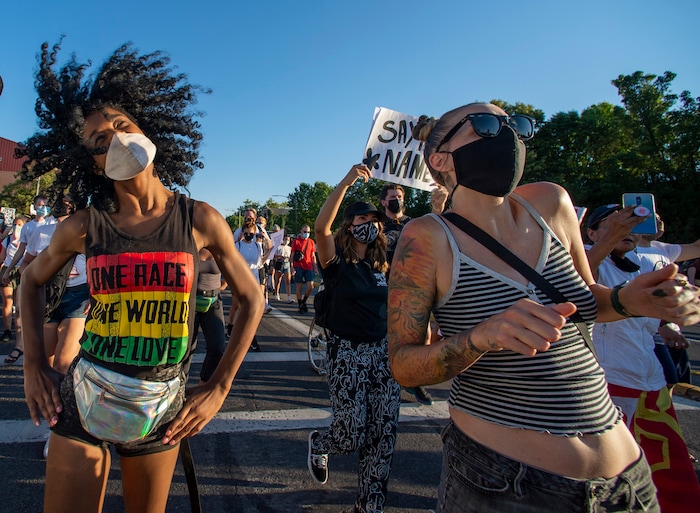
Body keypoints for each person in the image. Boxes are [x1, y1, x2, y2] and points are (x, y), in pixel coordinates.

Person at [387, 102, 700, 513]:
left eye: (515, 125)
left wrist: (630, 299)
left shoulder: (551, 202)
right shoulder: (427, 236)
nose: (508, 135)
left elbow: (585, 300)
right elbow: (404, 364)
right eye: (485, 125)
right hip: (508, 484)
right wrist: (481, 337)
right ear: (441, 158)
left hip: (628, 481)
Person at [17, 40, 264, 513]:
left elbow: (253, 299)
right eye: (99, 140)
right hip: (84, 398)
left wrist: (219, 387)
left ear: (145, 128)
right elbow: (30, 281)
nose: (113, 137)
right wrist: (32, 365)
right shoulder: (84, 226)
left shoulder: (200, 220)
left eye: (121, 125)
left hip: (162, 408)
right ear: (93, 162)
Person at [586, 204, 700, 513]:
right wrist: (608, 240)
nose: (627, 230)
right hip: (609, 384)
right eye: (614, 223)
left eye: (633, 225)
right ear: (591, 232)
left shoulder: (652, 259)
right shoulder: (587, 256)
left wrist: (670, 320)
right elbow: (575, 281)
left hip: (652, 383)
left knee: (669, 472)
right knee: (608, 476)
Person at [308, 164, 401, 513]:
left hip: (383, 355)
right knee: (350, 433)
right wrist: (346, 182)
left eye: (373, 220)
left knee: (382, 436)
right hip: (347, 352)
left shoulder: (383, 264)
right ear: (350, 226)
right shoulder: (335, 263)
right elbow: (320, 227)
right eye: (362, 219)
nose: (370, 225)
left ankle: (368, 507)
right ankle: (322, 441)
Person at [379, 183, 434, 405]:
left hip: (412, 286)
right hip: (385, 284)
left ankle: (415, 379)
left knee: (424, 335)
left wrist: (438, 206)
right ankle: (386, 378)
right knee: (387, 336)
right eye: (393, 196)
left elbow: (432, 239)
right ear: (383, 201)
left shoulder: (414, 224)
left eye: (400, 196)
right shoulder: (377, 225)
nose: (397, 200)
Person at [1, 195, 56, 364]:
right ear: (34, 207)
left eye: (45, 205)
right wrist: (8, 270)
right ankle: (19, 345)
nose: (43, 208)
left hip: (51, 271)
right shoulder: (28, 228)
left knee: (47, 313)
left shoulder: (54, 224)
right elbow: (21, 252)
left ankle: (42, 349)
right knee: (22, 308)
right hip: (28, 270)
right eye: (39, 205)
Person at [191, 248, 227, 383]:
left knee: (217, 347)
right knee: (186, 349)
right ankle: (179, 388)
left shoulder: (219, 244)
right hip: (190, 301)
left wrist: (225, 283)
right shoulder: (189, 240)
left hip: (213, 301)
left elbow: (233, 266)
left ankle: (203, 384)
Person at [235, 221, 270, 351]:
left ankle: (249, 336)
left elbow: (260, 263)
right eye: (246, 233)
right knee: (243, 309)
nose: (249, 235)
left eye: (251, 233)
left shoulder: (257, 246)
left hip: (254, 280)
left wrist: (269, 250)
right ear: (243, 233)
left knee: (254, 311)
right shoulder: (237, 246)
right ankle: (245, 336)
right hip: (242, 280)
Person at [1, 216, 25, 356]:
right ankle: (7, 330)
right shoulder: (7, 240)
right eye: (15, 224)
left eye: (20, 225)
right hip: (8, 270)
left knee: (19, 305)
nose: (17, 227)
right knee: (7, 302)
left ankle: (20, 334)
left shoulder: (27, 239)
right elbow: (2, 257)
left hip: (21, 270)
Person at [291, 225, 317, 313]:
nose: (307, 234)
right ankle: (300, 304)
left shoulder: (311, 242)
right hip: (298, 266)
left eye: (308, 232)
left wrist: (315, 267)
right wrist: (292, 266)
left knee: (310, 286)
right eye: (305, 232)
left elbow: (313, 256)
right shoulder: (296, 241)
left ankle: (304, 301)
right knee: (299, 286)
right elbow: (292, 255)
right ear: (301, 231)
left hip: (308, 266)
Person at [272, 233, 294, 302]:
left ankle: (289, 296)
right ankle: (276, 293)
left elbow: (291, 258)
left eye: (287, 240)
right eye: (285, 239)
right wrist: (280, 257)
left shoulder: (290, 248)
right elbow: (273, 256)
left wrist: (292, 266)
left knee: (288, 281)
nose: (286, 241)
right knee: (278, 280)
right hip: (279, 263)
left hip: (286, 264)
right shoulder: (278, 247)